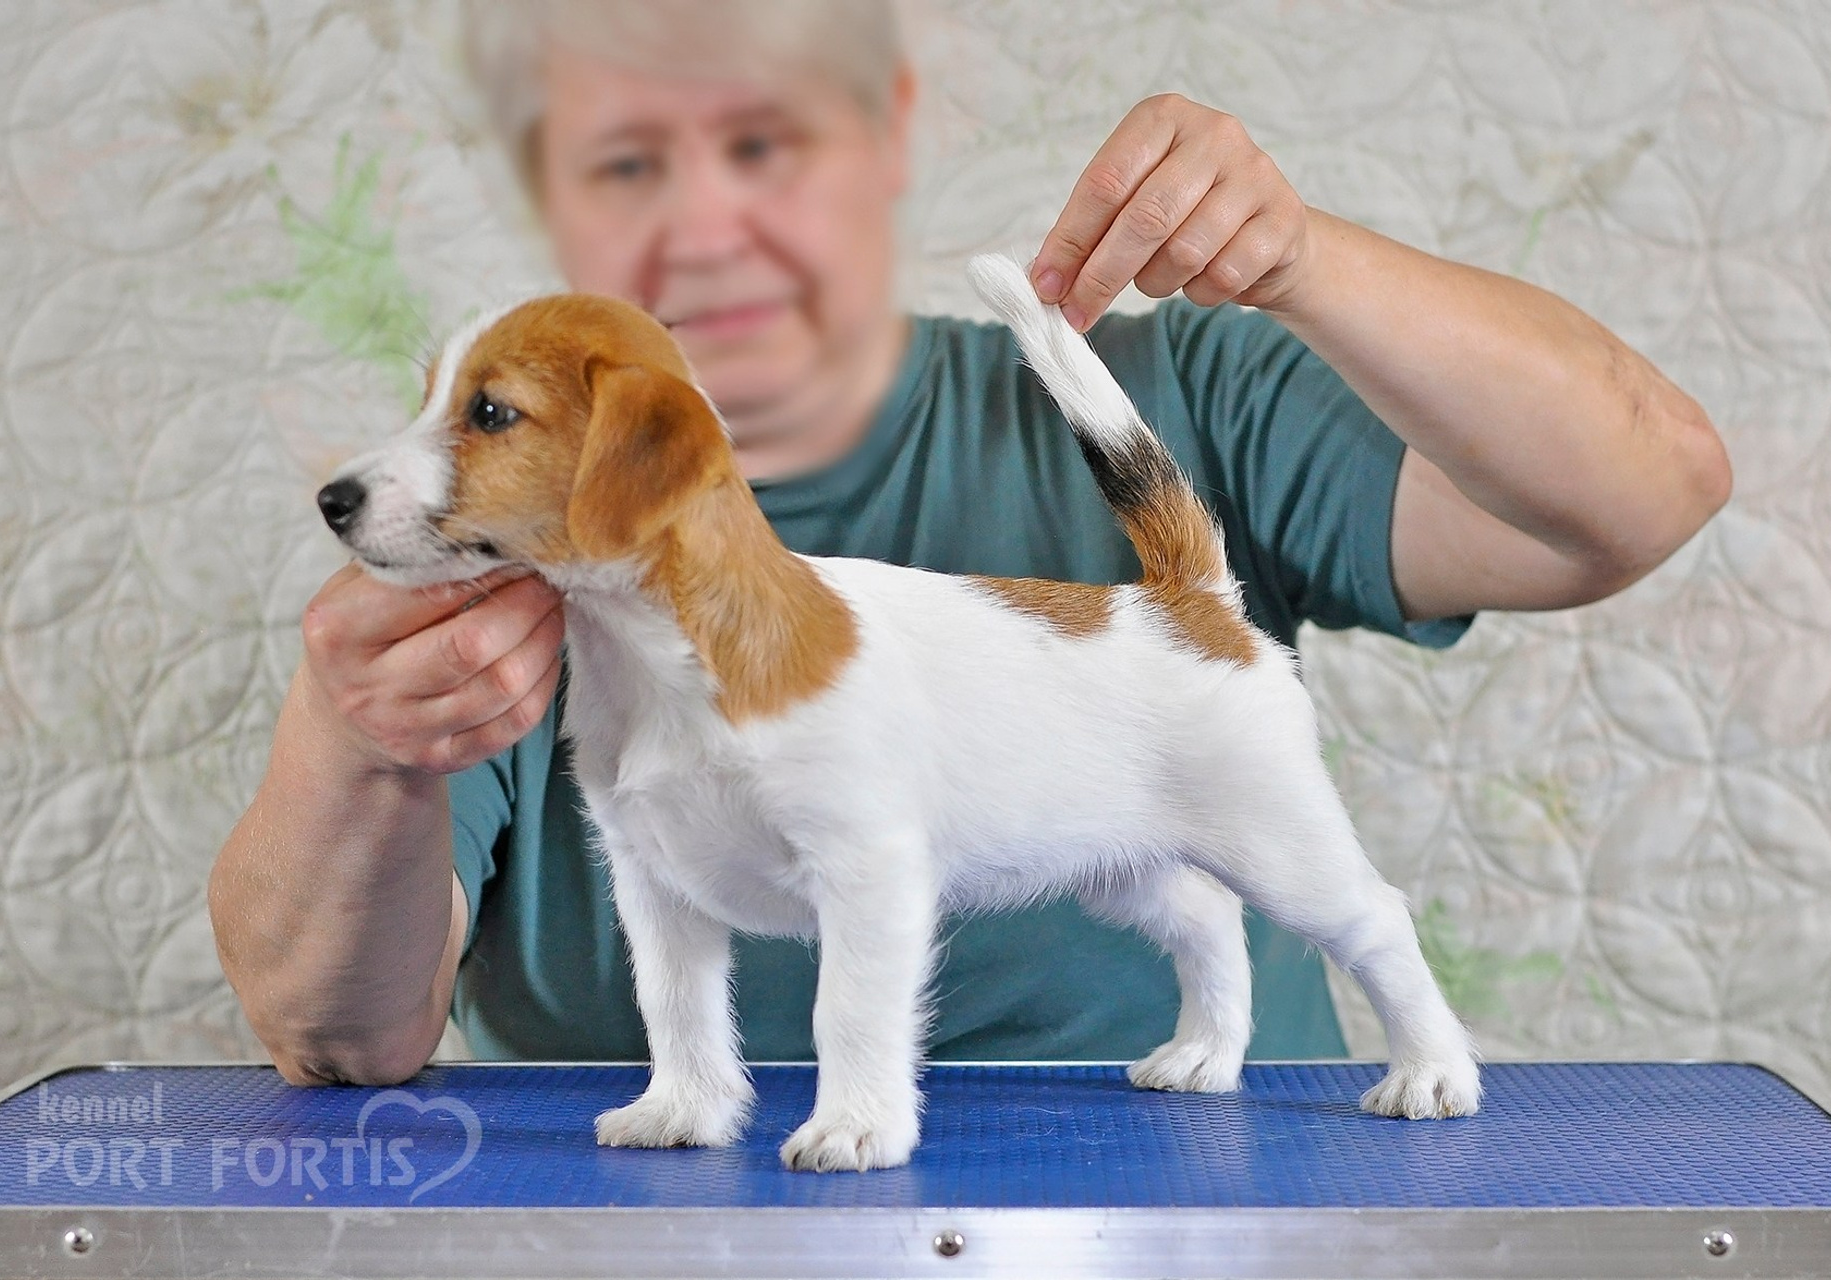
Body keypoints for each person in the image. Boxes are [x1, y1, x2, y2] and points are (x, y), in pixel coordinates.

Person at [207, 1, 1730, 1088]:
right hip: (646, 1246)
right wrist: (354, 748)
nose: (709, 220)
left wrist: (1303, 258)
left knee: (1280, 883)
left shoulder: (1185, 386)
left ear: (886, 139)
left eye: (764, 141)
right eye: (625, 162)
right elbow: (330, 1037)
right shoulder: (502, 563)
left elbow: (1650, 490)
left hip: (1182, 1229)